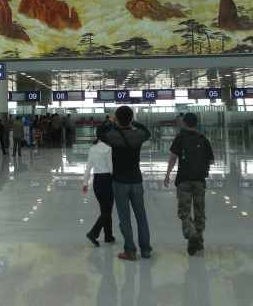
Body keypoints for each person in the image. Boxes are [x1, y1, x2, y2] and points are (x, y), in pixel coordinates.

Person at [102, 105, 152, 261]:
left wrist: (111, 122)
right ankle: (146, 250)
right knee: (141, 216)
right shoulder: (138, 135)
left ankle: (130, 251)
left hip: (120, 182)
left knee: (124, 218)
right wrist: (133, 122)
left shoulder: (113, 136)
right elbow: (147, 132)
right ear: (131, 118)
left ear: (117, 118)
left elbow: (100, 133)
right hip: (136, 181)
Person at [164, 112, 215, 256]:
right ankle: (199, 240)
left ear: (184, 123)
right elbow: (211, 160)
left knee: (184, 212)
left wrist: (167, 175)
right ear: (196, 123)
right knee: (199, 211)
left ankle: (191, 234)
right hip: (199, 180)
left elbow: (173, 158)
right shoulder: (203, 139)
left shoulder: (180, 138)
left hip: (184, 180)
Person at [82, 127, 114, 246]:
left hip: (96, 181)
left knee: (104, 210)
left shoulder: (92, 148)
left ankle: (108, 236)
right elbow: (111, 169)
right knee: (107, 211)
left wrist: (85, 183)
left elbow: (88, 167)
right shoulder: (108, 149)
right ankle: (93, 233)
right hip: (107, 181)